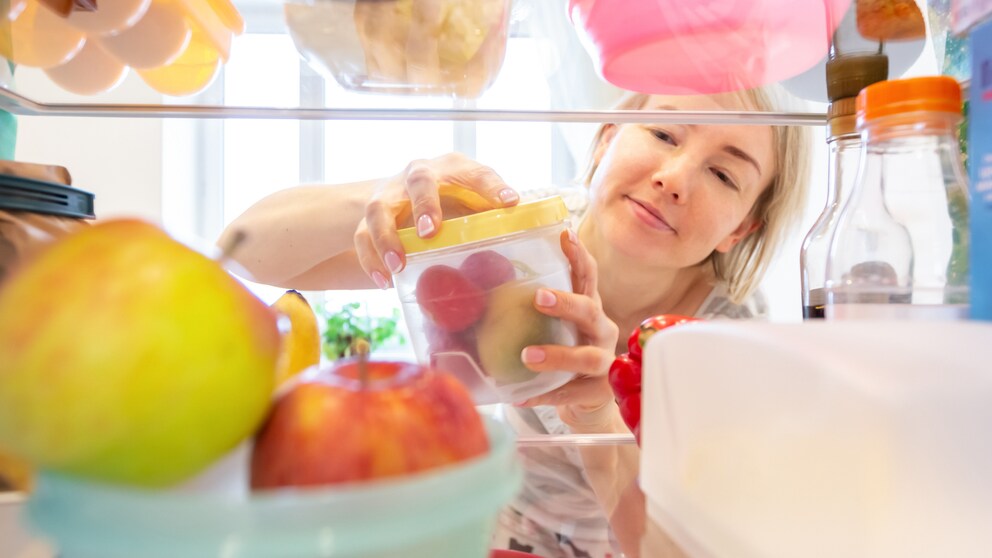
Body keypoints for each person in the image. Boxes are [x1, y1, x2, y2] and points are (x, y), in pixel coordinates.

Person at [219, 87, 811, 557]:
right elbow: (244, 249)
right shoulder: (519, 238)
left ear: (742, 229)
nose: (675, 179)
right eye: (662, 133)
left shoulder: (729, 336)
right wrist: (383, 198)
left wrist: (596, 412)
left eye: (725, 175)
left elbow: (671, 548)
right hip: (478, 534)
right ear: (607, 140)